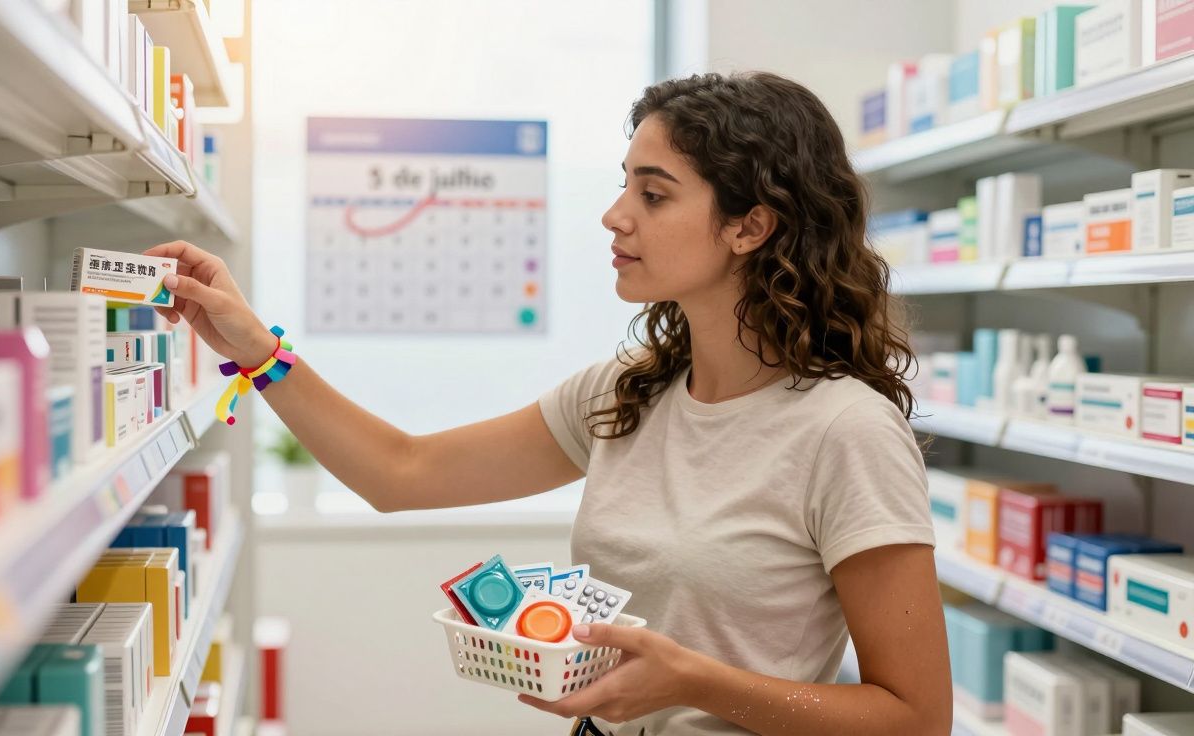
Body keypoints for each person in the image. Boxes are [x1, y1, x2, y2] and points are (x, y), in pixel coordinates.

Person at [146, 71, 952, 736]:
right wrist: (258, 351)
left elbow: (916, 717)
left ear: (750, 226)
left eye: (655, 193)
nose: (615, 214)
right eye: (622, 184)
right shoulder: (624, 394)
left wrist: (696, 683)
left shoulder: (846, 431)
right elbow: (402, 472)